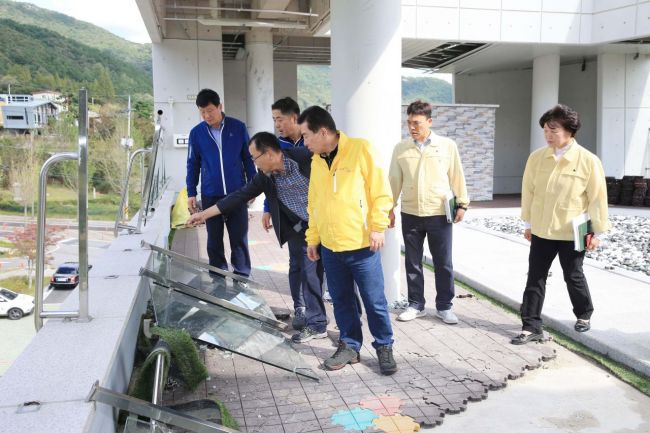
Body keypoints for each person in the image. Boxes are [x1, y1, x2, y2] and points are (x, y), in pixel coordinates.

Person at [186, 132, 328, 343]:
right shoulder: (264, 176)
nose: (252, 162)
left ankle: (351, 325)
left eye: (254, 157)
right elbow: (237, 196)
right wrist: (203, 214)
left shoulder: (304, 157)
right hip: (302, 229)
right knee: (310, 275)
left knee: (339, 274)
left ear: (269, 154)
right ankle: (317, 324)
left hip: (329, 223)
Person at [299, 105, 397, 376]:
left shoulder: (360, 149)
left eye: (306, 136)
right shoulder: (317, 161)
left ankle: (384, 346)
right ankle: (350, 345)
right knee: (341, 300)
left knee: (374, 300)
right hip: (331, 247)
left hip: (362, 245)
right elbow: (314, 204)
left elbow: (381, 191)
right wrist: (313, 238)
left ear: (323, 132)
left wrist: (378, 227)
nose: (304, 142)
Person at [511, 104, 610, 345]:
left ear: (569, 131)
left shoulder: (588, 160)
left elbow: (597, 198)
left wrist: (597, 232)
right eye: (545, 130)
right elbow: (529, 192)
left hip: (572, 232)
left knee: (573, 275)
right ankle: (531, 325)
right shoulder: (536, 158)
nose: (547, 135)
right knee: (535, 276)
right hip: (543, 229)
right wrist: (528, 224)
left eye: (553, 130)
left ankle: (584, 314)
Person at [388, 100, 469, 325]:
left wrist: (462, 204)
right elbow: (394, 180)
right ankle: (416, 305)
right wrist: (389, 209)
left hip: (439, 213)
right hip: (411, 212)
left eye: (417, 123)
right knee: (412, 262)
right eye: (409, 123)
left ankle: (444, 306)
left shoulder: (447, 146)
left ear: (429, 121)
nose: (412, 127)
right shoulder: (401, 148)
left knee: (443, 262)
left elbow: (457, 176)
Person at [186, 89, 257, 277]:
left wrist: (253, 186)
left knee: (239, 238)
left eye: (210, 110)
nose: (207, 115)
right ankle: (217, 278)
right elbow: (192, 164)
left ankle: (242, 278)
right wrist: (191, 192)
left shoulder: (238, 127)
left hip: (237, 193)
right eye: (202, 112)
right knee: (214, 240)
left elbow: (248, 159)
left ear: (220, 106)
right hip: (210, 194)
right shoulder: (196, 133)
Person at [268, 97, 309, 329]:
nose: (277, 125)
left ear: (294, 118)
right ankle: (300, 307)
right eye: (274, 120)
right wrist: (267, 210)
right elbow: (268, 179)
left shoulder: (311, 140)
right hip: (290, 215)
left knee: (316, 261)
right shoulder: (277, 145)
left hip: (317, 214)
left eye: (280, 119)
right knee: (296, 262)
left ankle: (315, 305)